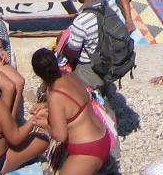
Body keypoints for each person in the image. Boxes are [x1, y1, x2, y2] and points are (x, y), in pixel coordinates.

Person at [28, 46, 113, 174]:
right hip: (102, 137)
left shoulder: (55, 96)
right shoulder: (69, 76)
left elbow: (60, 136)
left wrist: (45, 124)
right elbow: (73, 101)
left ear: (38, 74)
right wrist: (46, 105)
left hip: (87, 150)